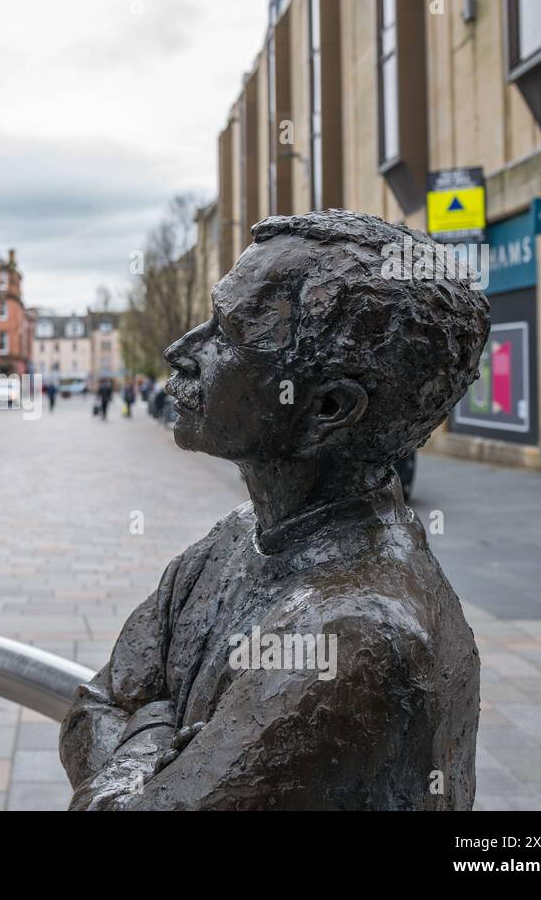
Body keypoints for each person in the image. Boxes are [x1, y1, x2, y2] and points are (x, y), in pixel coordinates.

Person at [60, 210, 489, 810]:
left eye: (228, 333)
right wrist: (155, 748)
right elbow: (94, 704)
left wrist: (144, 737)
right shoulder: (236, 538)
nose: (180, 349)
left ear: (328, 408)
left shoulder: (355, 639)